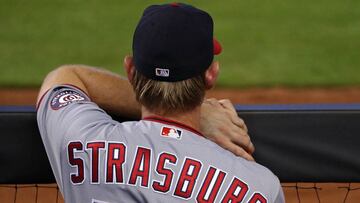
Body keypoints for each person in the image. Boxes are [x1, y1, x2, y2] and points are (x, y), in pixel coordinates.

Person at [37, 3, 284, 203]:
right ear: (211, 74)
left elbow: (65, 76)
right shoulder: (259, 189)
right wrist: (198, 117)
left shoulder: (81, 141)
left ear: (131, 71)